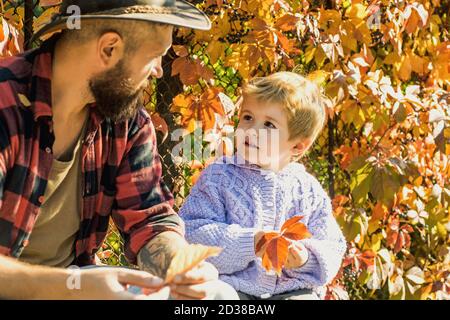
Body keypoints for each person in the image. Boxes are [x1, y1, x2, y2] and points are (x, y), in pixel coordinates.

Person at [0, 0, 236, 300]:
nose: (159, 72)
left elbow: (149, 219)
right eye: (155, 56)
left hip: (77, 284)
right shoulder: (5, 102)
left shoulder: (127, 122)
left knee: (217, 295)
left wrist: (179, 267)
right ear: (109, 49)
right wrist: (72, 288)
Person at [179, 72, 347, 300]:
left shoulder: (306, 190)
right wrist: (251, 242)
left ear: (297, 146)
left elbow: (332, 245)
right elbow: (190, 232)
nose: (251, 129)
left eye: (268, 124)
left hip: (288, 289)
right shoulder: (219, 176)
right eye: (247, 117)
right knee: (213, 295)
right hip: (231, 285)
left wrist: (306, 259)